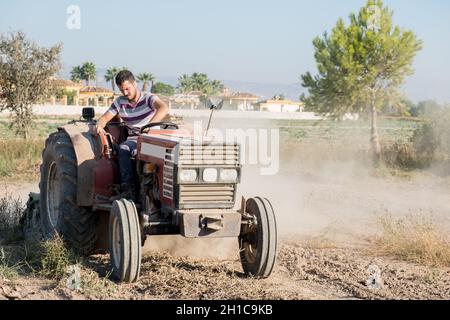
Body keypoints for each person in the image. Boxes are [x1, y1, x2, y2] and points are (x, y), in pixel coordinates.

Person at [93, 70, 169, 200]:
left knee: (167, 154)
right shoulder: (120, 102)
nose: (125, 93)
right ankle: (129, 190)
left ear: (134, 84)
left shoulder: (148, 98)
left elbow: (163, 108)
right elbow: (105, 118)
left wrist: (148, 127)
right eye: (122, 90)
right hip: (134, 140)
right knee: (124, 148)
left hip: (152, 138)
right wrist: (99, 124)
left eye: (127, 89)